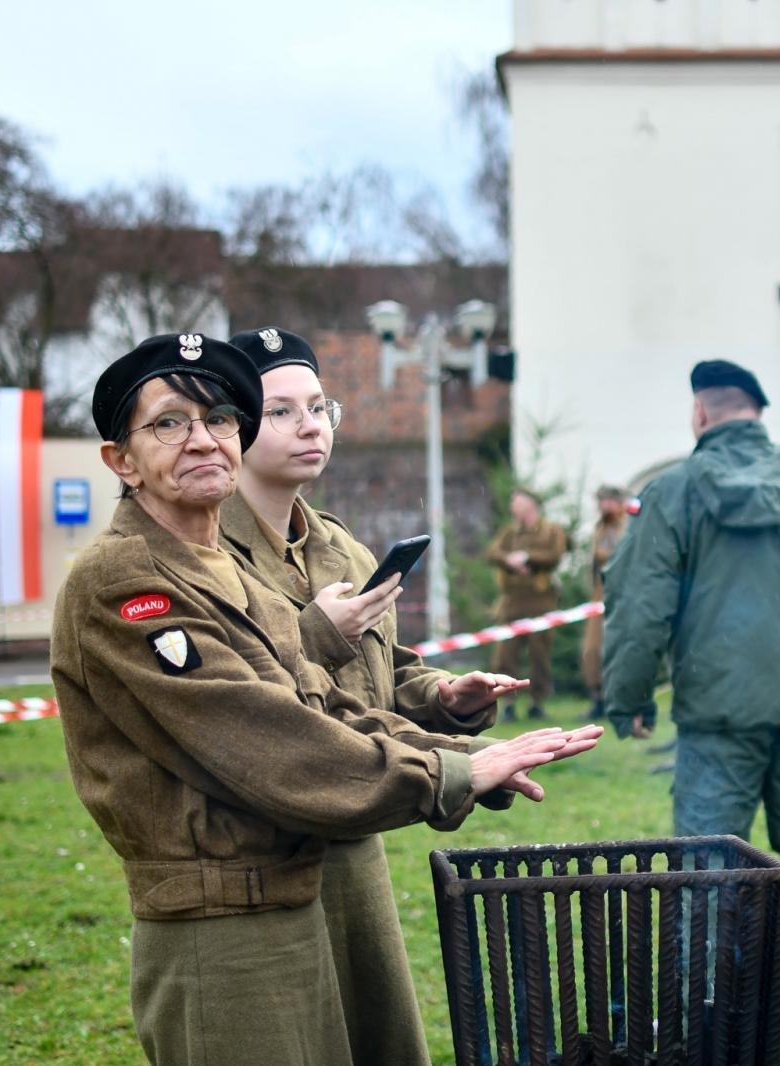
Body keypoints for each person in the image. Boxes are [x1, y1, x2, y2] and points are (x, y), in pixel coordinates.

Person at [51, 332, 601, 1065]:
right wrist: (450, 772)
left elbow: (326, 704)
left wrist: (462, 751)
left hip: (295, 887)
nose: (203, 439)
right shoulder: (124, 579)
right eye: (169, 423)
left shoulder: (227, 572)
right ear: (122, 460)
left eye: (219, 419)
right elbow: (264, 739)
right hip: (221, 922)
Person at [218, 325, 531, 1064]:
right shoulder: (209, 555)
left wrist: (447, 696)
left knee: (375, 1037)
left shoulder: (340, 547)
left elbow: (385, 673)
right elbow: (246, 699)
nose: (310, 427)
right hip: (263, 849)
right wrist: (316, 631)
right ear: (231, 426)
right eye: (281, 411)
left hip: (358, 835)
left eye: (319, 407)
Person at [601, 360, 780, 1045]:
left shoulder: (672, 492)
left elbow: (640, 604)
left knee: (709, 857)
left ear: (700, 414)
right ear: (757, 413)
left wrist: (628, 694)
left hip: (718, 709)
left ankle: (706, 1011)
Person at [485, 487, 567, 720]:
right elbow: (492, 553)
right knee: (505, 654)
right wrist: (510, 560)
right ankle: (508, 702)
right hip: (512, 600)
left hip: (540, 600)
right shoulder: (510, 532)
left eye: (517, 502)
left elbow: (555, 555)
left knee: (539, 653)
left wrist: (529, 558)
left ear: (530, 504)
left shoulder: (551, 531)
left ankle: (537, 702)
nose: (513, 506)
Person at [581, 483, 628, 721]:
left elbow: (624, 555)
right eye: (601, 501)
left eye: (608, 501)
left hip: (623, 592)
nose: (604, 506)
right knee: (592, 649)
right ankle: (598, 699)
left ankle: (620, 701)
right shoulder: (600, 528)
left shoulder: (628, 527)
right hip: (600, 592)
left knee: (619, 648)